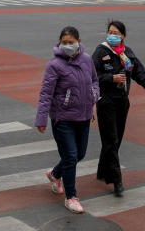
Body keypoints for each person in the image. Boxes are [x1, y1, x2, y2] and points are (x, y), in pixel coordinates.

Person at [91, 20, 145, 196]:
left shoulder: (126, 53)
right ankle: (117, 180)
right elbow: (91, 76)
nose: (112, 35)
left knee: (115, 139)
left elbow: (138, 72)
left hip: (122, 101)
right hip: (105, 101)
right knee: (111, 139)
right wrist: (111, 78)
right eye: (110, 31)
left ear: (123, 36)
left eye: (116, 32)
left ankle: (103, 171)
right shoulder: (100, 52)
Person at [36, 26, 99, 215]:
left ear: (78, 42)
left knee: (79, 154)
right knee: (71, 156)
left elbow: (95, 80)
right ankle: (71, 197)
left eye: (71, 42)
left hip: (84, 116)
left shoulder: (87, 60)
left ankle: (55, 174)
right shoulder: (54, 65)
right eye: (64, 42)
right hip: (62, 118)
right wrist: (41, 119)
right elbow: (46, 93)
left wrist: (94, 94)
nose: (68, 46)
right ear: (60, 43)